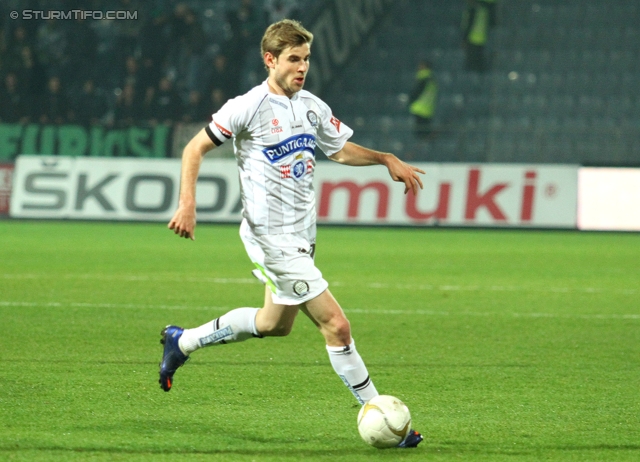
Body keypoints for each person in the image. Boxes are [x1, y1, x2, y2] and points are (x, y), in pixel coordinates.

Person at [160, 19, 425, 448]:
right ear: (270, 60)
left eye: (306, 59)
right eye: (294, 59)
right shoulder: (246, 106)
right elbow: (195, 148)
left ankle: (182, 341)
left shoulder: (311, 106)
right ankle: (384, 419)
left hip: (302, 236)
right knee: (336, 326)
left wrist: (384, 157)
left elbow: (339, 149)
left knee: (273, 324)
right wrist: (187, 203)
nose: (302, 68)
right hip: (271, 239)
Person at [409, 60, 438, 140]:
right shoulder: (433, 80)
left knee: (420, 135)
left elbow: (416, 93)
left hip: (419, 109)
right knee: (425, 133)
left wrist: (410, 101)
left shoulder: (423, 79)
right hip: (429, 110)